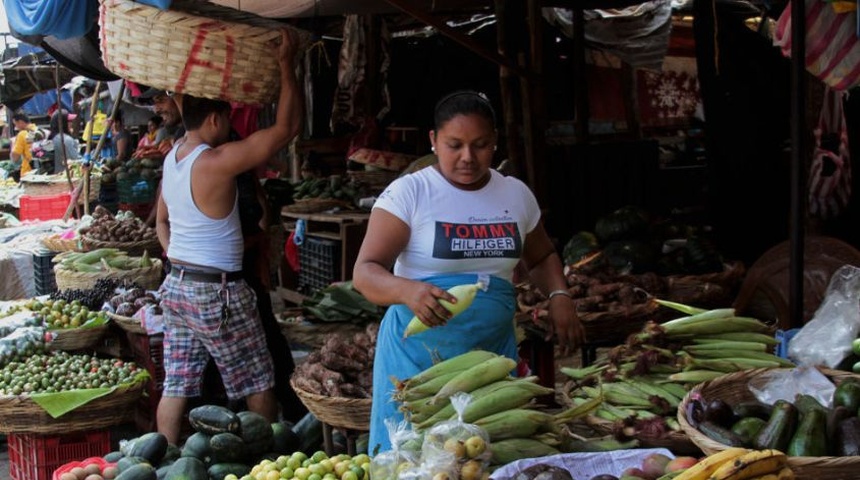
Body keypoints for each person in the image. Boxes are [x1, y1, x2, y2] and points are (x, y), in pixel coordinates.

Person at [352, 90, 586, 453]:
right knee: (414, 458)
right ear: (433, 140)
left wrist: (560, 295)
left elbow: (541, 258)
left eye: (480, 145)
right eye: (454, 145)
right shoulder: (410, 193)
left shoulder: (515, 194)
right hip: (418, 361)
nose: (467, 157)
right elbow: (366, 271)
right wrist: (407, 291)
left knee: (482, 457)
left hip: (490, 357)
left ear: (494, 142)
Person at [154, 29, 302, 445]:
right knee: (257, 378)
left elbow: (161, 223)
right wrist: (287, 65)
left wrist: (178, 258)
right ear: (216, 119)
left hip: (179, 286)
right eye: (228, 121)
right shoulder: (216, 162)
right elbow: (287, 127)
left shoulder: (173, 158)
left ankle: (157, 457)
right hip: (217, 292)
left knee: (177, 383)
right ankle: (268, 458)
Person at [48, 110, 81, 174]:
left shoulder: (52, 137)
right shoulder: (66, 140)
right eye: (69, 121)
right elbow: (75, 160)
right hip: (66, 175)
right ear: (62, 123)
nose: (71, 123)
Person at [10, 112, 37, 181]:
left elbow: (15, 158)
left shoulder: (22, 134)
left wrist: (13, 143)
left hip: (28, 173)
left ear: (20, 122)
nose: (16, 127)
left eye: (15, 124)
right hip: (40, 170)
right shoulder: (37, 130)